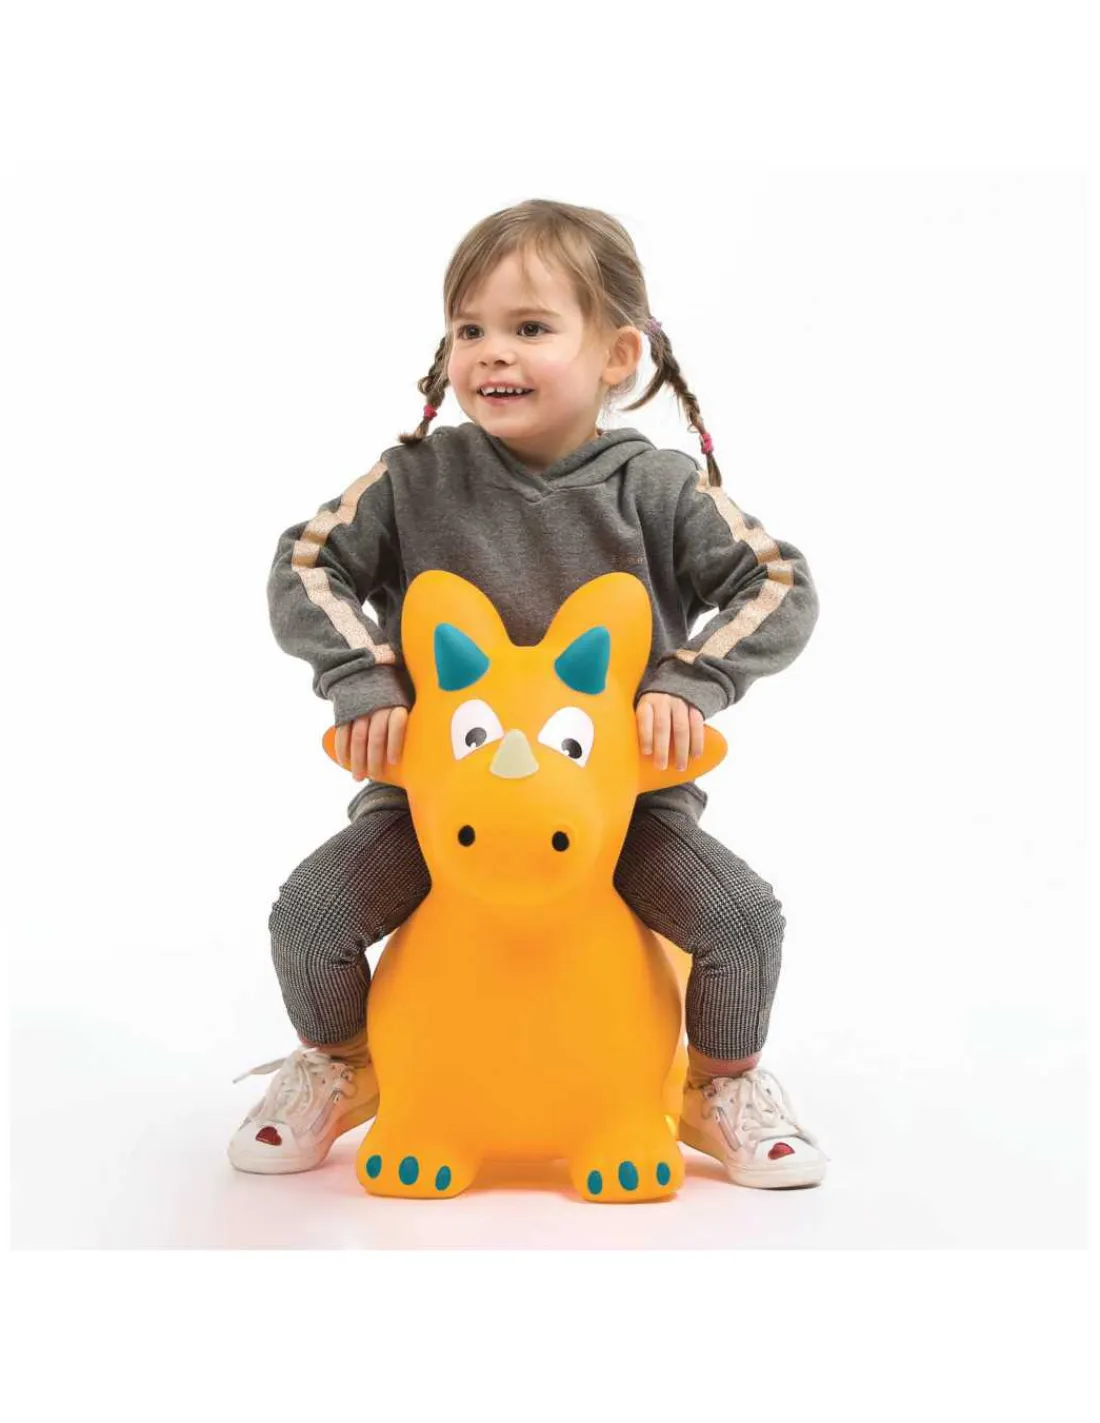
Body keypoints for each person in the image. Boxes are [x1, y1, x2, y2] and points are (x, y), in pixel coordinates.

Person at [228, 197, 828, 1188]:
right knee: (310, 917)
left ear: (616, 354)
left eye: (530, 327)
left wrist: (690, 681)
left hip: (617, 808)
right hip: (434, 804)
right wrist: (361, 676)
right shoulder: (413, 478)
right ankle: (342, 1061)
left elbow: (778, 583)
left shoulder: (659, 488)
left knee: (741, 922)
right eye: (469, 329)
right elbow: (305, 561)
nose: (491, 352)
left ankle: (718, 1082)